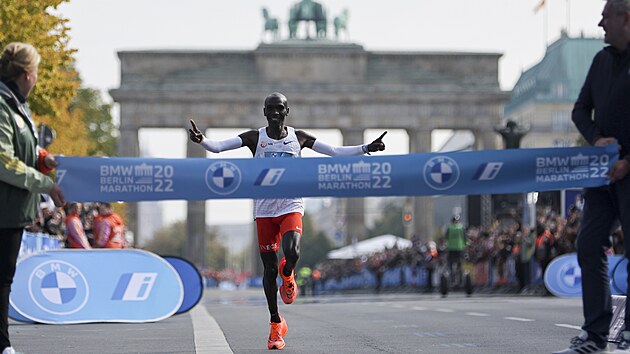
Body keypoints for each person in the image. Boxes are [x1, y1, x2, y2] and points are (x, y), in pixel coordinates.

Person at [189, 92, 386, 350]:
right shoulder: (254, 138)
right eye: (270, 109)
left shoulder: (299, 138)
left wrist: (365, 148)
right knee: (269, 271)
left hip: (291, 205)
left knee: (291, 252)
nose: (274, 113)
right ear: (264, 112)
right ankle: (275, 324)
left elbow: (334, 151)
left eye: (279, 108)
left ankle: (289, 273)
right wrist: (202, 140)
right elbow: (218, 147)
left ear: (286, 111)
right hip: (264, 211)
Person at [554, 1, 630, 353]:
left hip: (629, 172)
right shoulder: (601, 60)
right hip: (602, 174)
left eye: (605, 16)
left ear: (625, 18)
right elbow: (579, 109)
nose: (599, 23)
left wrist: (628, 159)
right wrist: (597, 138)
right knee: (588, 243)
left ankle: (627, 328)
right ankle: (596, 332)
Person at [0, 42, 65, 354]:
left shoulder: (16, 104)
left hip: (11, 208)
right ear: (27, 74)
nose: (37, 78)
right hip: (4, 207)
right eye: (37, 72)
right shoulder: (3, 104)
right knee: (1, 278)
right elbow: (4, 160)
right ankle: (2, 345)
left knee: (3, 277)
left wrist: (43, 158)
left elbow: (21, 150)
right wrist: (46, 183)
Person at [444, 215, 465, 286]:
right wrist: (466, 245)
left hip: (451, 248)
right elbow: (465, 238)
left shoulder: (449, 228)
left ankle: (452, 280)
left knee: (450, 264)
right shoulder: (461, 227)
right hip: (459, 248)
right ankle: (461, 280)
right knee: (460, 264)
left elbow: (446, 237)